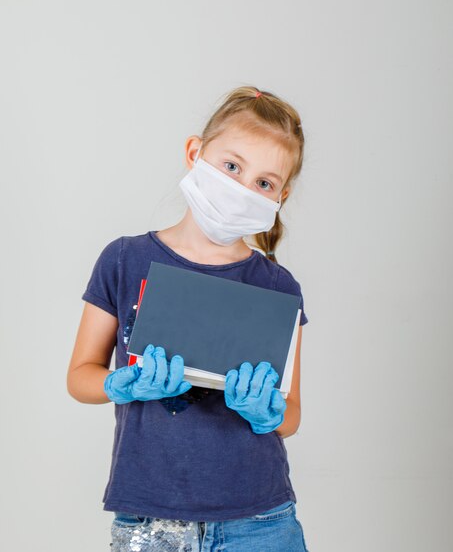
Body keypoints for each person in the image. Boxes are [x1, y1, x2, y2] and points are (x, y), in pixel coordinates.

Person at [67, 85, 311, 552]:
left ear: (281, 195)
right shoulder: (124, 260)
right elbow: (80, 376)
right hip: (150, 517)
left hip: (261, 519)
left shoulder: (279, 287)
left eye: (264, 182)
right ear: (195, 152)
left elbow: (292, 414)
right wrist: (124, 383)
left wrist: (267, 412)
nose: (242, 188)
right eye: (232, 166)